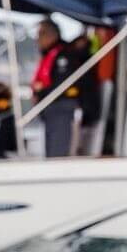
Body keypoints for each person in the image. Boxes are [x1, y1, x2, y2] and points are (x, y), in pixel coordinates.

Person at [31, 18, 82, 157]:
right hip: (50, 108)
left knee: (57, 154)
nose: (37, 39)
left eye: (40, 34)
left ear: (52, 35)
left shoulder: (64, 55)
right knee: (51, 153)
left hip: (61, 108)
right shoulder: (50, 54)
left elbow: (62, 84)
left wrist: (41, 92)